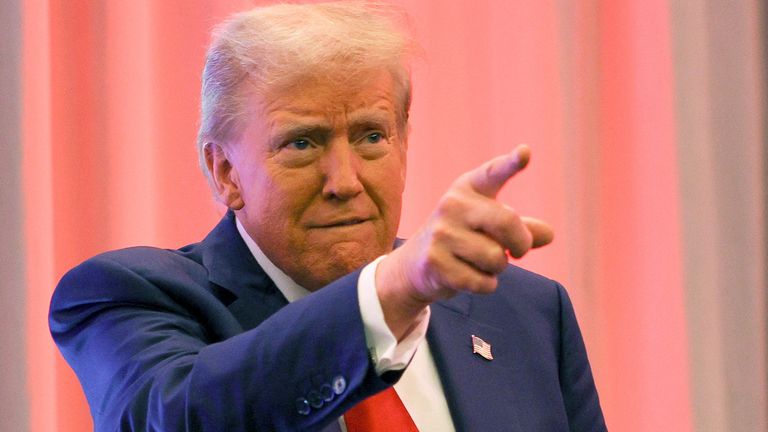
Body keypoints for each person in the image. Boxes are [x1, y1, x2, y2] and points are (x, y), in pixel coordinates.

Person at [50, 2, 606, 431]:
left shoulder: (526, 312)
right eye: (301, 143)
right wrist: (387, 295)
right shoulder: (124, 296)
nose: (345, 181)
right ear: (225, 172)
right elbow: (176, 417)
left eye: (371, 136)